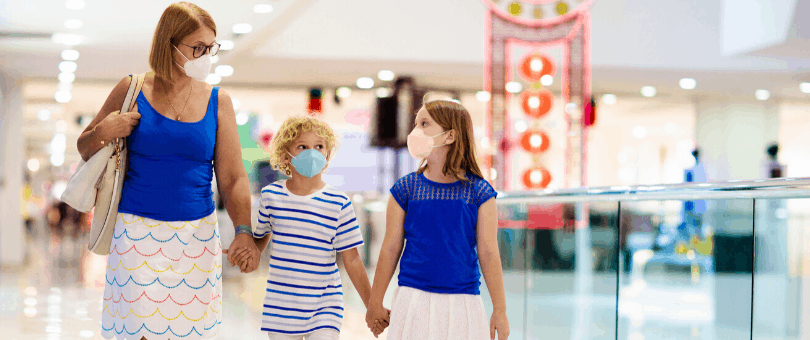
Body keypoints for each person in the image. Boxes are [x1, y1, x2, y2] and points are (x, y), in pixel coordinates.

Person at [75, 3, 258, 339]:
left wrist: (244, 229)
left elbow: (233, 179)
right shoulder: (132, 88)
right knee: (139, 328)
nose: (206, 56)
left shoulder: (219, 102)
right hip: (135, 232)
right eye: (197, 48)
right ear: (169, 45)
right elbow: (84, 145)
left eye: (211, 48)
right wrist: (105, 130)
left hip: (197, 237)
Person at [365, 99, 510, 340]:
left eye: (424, 124)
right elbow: (390, 249)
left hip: (463, 301)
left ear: (450, 136)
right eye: (415, 124)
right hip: (412, 298)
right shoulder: (405, 189)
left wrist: (500, 310)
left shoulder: (480, 192)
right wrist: (375, 303)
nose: (415, 132)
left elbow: (489, 252)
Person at [229, 115, 383, 339]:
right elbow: (261, 238)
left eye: (319, 146)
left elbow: (352, 259)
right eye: (302, 146)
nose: (312, 152)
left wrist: (372, 305)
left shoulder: (339, 203)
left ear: (328, 153)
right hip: (281, 306)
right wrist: (247, 255)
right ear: (286, 154)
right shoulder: (271, 196)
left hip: (325, 306)